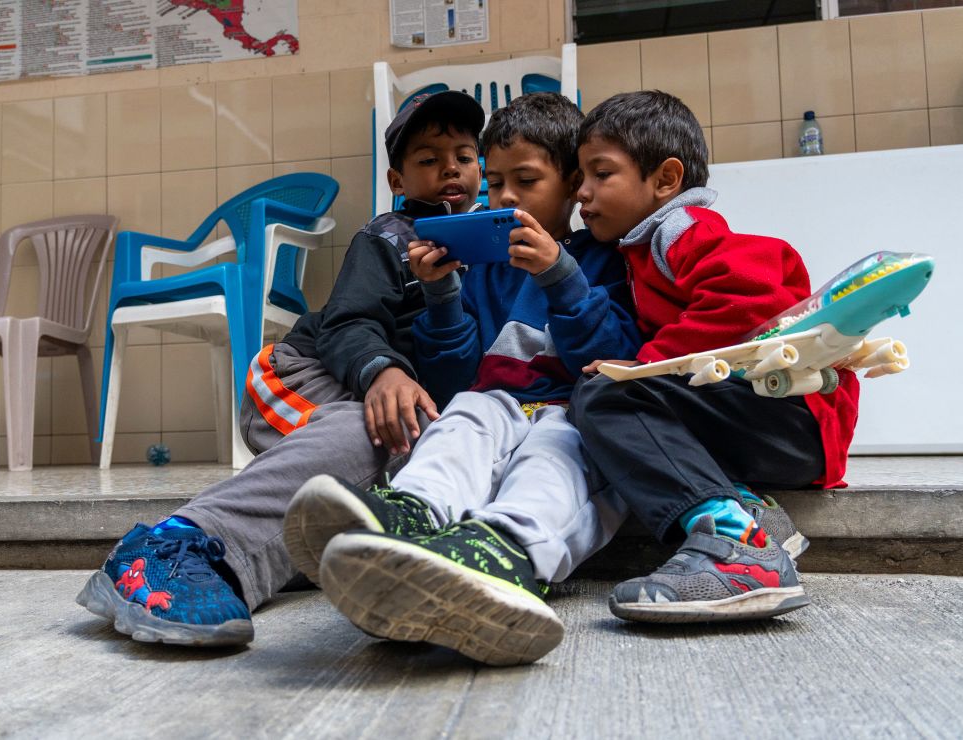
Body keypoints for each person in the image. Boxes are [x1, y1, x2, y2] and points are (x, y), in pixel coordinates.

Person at [75, 91, 487, 646]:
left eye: (463, 156)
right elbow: (347, 324)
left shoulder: (489, 244)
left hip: (389, 390)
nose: (449, 169)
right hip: (304, 372)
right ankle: (179, 546)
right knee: (376, 431)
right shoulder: (388, 237)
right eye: (429, 159)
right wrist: (383, 371)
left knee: (415, 460)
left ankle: (275, 555)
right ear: (396, 178)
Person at [284, 92, 641, 666]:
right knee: (467, 417)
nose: (503, 199)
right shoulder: (480, 268)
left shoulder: (608, 258)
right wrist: (443, 297)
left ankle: (506, 554)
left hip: (573, 408)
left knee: (557, 457)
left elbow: (609, 356)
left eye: (525, 182)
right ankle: (408, 516)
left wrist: (560, 276)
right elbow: (455, 377)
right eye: (495, 182)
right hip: (499, 400)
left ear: (573, 183)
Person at [567, 90, 860, 623]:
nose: (582, 194)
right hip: (775, 432)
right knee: (613, 404)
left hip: (794, 420)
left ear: (665, 180)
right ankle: (756, 517)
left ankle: (741, 549)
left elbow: (756, 293)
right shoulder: (638, 248)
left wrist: (651, 363)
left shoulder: (681, 231)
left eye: (600, 174)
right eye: (580, 178)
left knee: (608, 397)